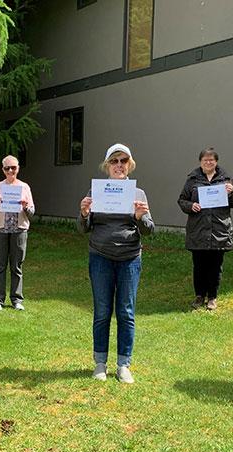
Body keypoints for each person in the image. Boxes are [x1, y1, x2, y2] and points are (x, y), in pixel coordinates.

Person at [78, 143, 154, 384]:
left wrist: (141, 218)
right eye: (114, 161)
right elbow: (83, 228)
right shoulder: (95, 191)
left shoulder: (138, 194)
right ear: (107, 165)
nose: (119, 165)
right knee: (102, 311)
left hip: (130, 259)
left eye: (123, 161)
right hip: (100, 257)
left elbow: (149, 230)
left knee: (126, 312)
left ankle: (123, 364)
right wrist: (83, 214)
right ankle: (100, 362)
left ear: (129, 165)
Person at [177, 147, 233, 310]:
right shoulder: (192, 179)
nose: (208, 162)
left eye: (211, 160)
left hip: (219, 230)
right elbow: (181, 200)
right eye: (205, 160)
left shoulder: (226, 179)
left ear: (216, 162)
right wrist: (191, 205)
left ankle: (212, 297)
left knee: (215, 266)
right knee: (199, 266)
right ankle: (199, 296)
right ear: (200, 162)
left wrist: (232, 191)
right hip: (198, 230)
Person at [0, 155, 35, 311]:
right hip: (0, 230)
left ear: (18, 168)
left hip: (19, 231)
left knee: (17, 266)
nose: (10, 171)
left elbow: (32, 213)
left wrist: (26, 206)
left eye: (13, 167)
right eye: (7, 168)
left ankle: (16, 299)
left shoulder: (25, 187)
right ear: (3, 169)